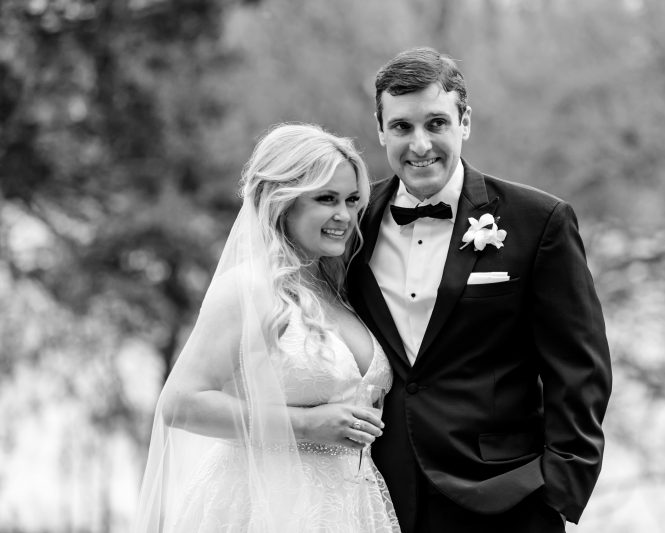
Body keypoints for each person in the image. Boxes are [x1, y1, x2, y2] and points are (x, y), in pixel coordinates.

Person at [346, 47, 613, 533]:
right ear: (381, 130)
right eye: (402, 126)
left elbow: (580, 368)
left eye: (436, 123)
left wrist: (560, 488)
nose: (420, 145)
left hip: (507, 496)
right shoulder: (352, 225)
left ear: (464, 121)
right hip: (377, 495)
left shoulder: (539, 221)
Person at [134, 123, 400, 532]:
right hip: (264, 505)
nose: (344, 216)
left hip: (349, 507)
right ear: (283, 202)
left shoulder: (342, 292)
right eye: (326, 199)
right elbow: (180, 404)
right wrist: (306, 425)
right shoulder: (250, 288)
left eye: (351, 200)